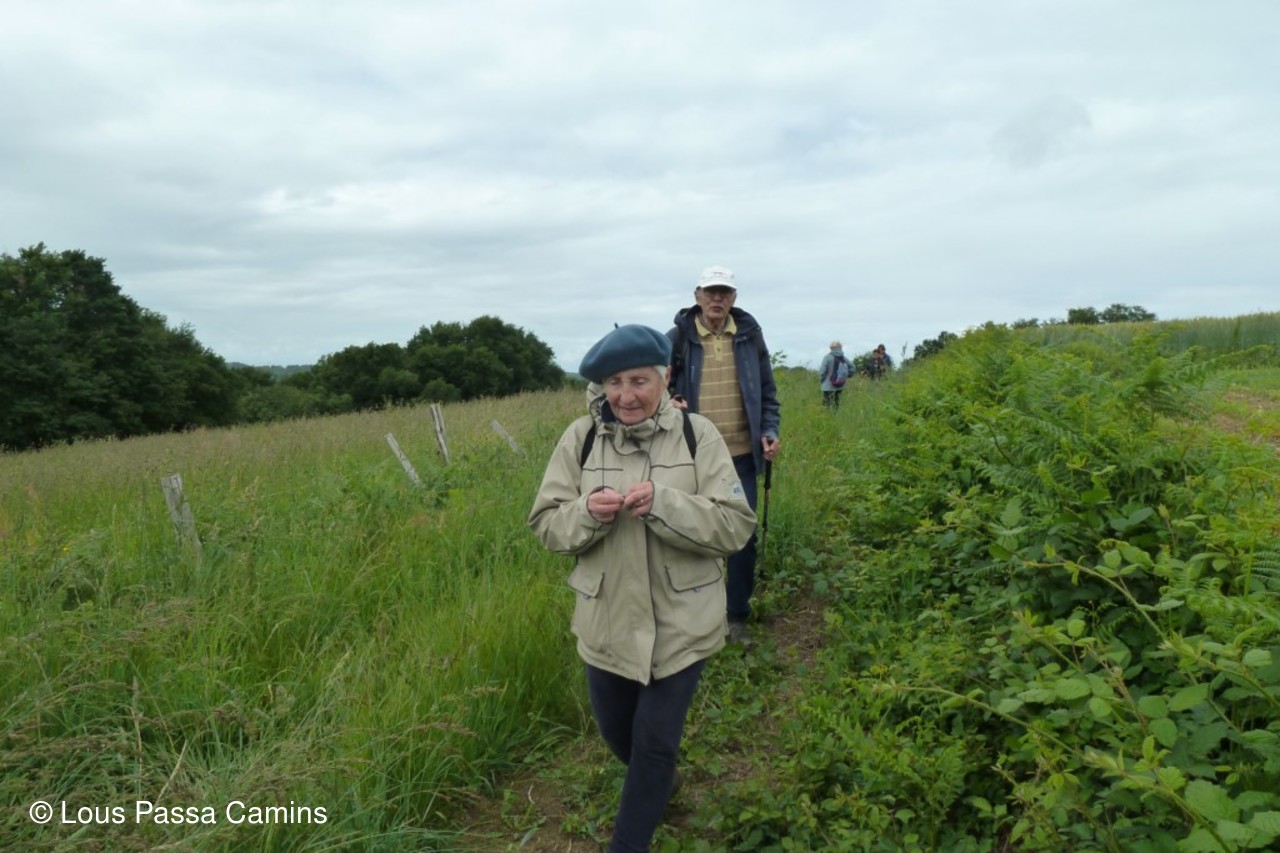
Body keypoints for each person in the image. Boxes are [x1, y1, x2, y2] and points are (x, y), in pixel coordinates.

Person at [529, 324, 756, 853]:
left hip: (682, 624)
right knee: (619, 736)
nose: (625, 396)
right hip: (606, 623)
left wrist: (665, 503)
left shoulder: (698, 435)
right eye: (614, 382)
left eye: (638, 381)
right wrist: (586, 512)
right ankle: (660, 785)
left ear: (665, 377)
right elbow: (546, 524)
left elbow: (735, 526)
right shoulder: (580, 438)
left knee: (653, 745)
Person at [667, 265, 781, 647]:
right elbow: (655, 386)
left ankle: (737, 617)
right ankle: (695, 615)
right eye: (711, 291)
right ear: (697, 295)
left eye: (725, 292)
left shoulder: (749, 335)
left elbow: (768, 393)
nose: (717, 298)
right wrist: (668, 402)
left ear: (734, 298)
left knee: (742, 536)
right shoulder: (677, 338)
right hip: (690, 457)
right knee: (691, 536)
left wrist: (769, 431)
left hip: (742, 456)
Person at [819, 340, 850, 409]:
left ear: (831, 348)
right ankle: (835, 414)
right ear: (840, 348)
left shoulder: (827, 357)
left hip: (827, 385)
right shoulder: (844, 358)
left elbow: (822, 372)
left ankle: (827, 415)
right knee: (836, 403)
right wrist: (846, 376)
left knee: (827, 404)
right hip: (840, 384)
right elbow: (853, 368)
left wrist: (822, 380)